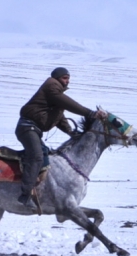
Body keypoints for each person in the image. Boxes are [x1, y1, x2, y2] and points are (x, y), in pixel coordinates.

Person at [16, 67, 107, 209]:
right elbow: (70, 104)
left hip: (34, 130)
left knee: (46, 157)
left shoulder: (55, 94)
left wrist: (70, 132)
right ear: (57, 78)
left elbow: (59, 118)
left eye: (68, 78)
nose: (67, 81)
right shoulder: (51, 86)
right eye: (65, 77)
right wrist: (91, 114)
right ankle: (25, 194)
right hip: (27, 128)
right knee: (37, 156)